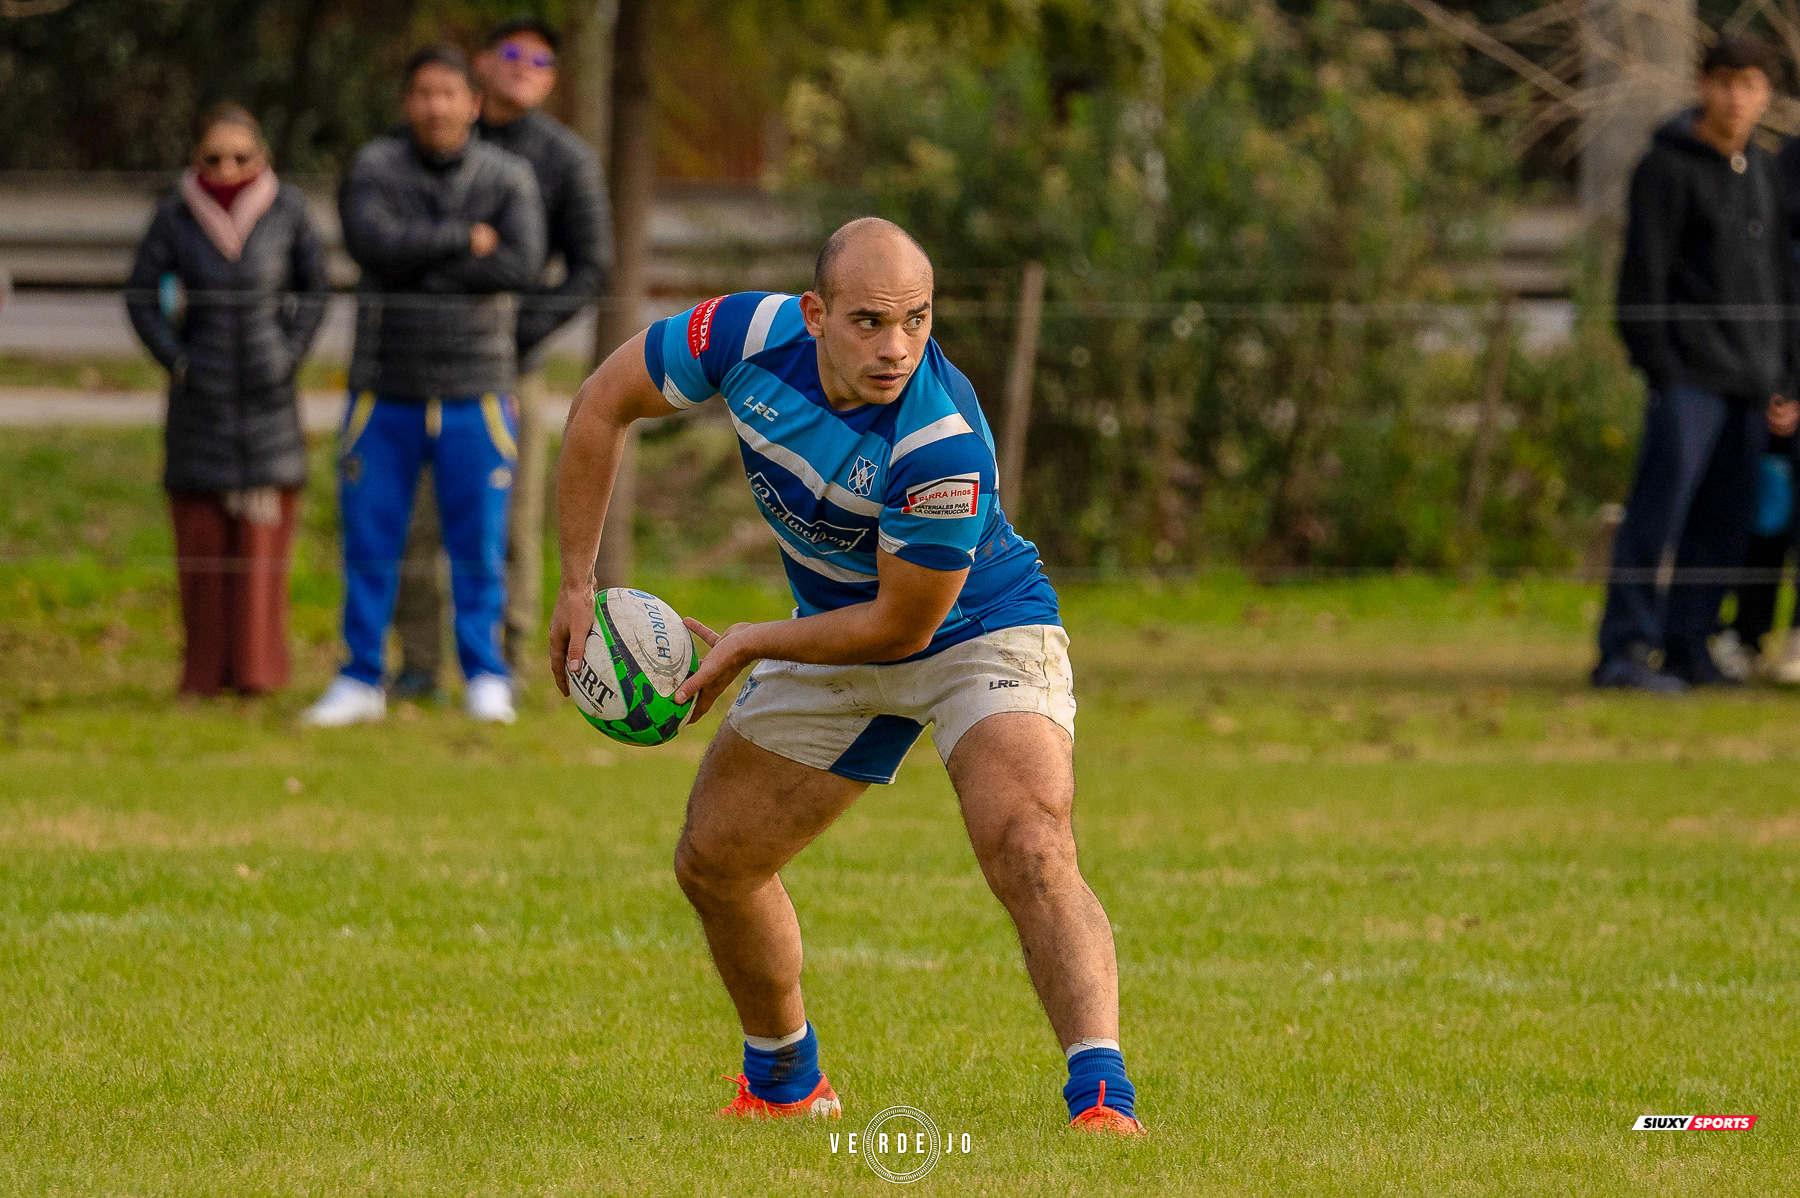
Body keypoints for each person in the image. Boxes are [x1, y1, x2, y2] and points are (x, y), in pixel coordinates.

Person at [550, 219, 1145, 1136]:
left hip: (977, 627)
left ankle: (1101, 1100)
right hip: (839, 624)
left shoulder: (940, 442)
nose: (896, 346)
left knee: (1027, 841)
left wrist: (752, 642)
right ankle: (787, 1082)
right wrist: (577, 583)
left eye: (916, 319)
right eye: (869, 320)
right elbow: (600, 403)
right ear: (815, 313)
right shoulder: (743, 338)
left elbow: (904, 627)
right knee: (716, 861)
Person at [302, 44, 545, 727]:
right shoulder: (373, 168)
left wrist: (418, 261)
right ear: (407, 102)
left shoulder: (509, 175)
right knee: (371, 539)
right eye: (424, 93)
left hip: (479, 386)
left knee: (481, 541)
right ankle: (359, 675)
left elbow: (521, 263)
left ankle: (485, 674)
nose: (436, 105)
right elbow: (371, 247)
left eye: (449, 93)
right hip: (386, 387)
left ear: (473, 101)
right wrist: (464, 242)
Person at [390, 16, 612, 702]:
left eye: (541, 61)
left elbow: (590, 265)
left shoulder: (565, 159)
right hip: (421, 363)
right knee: (417, 517)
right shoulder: (433, 138)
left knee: (509, 521)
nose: (523, 67)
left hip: (506, 367)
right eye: (511, 54)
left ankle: (508, 662)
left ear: (553, 80)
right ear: (481, 65)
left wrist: (518, 334)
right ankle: (420, 664)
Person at [1594, 34, 1800, 692]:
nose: (1735, 96)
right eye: (1723, 82)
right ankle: (1624, 649)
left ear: (1766, 94)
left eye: (1748, 84)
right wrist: (1661, 365)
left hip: (1753, 380)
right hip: (1689, 377)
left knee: (1726, 523)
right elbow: (1642, 279)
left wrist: (1785, 376)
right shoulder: (1666, 167)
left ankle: (1690, 644)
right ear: (1702, 86)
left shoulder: (1766, 173)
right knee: (1660, 514)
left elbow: (1779, 286)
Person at [125, 103, 329, 696]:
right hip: (201, 405)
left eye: (241, 157)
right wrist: (179, 359)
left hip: (269, 404)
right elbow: (140, 293)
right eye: (214, 158)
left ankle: (260, 675)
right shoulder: (175, 214)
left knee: (263, 552)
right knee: (203, 549)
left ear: (261, 156)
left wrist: (287, 352)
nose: (228, 168)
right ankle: (203, 676)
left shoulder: (287, 210)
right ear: (195, 160)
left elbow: (316, 288)